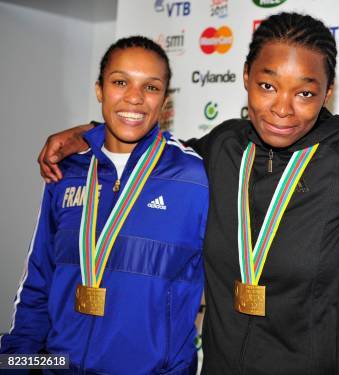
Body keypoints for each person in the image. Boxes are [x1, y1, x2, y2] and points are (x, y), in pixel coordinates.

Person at [37, 13, 339, 374]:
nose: (283, 108)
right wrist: (92, 131)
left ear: (327, 93)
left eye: (305, 91)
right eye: (269, 85)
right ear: (247, 80)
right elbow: (147, 144)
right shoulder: (221, 147)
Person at [1, 36, 209, 374]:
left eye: (151, 87)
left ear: (165, 102)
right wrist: (15, 364)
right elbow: (38, 282)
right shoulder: (67, 170)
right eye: (120, 82)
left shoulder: (195, 178)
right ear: (100, 89)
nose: (134, 98)